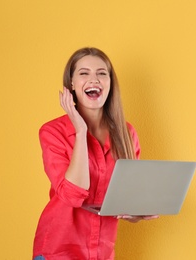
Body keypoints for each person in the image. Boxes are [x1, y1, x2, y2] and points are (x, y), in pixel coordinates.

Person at [33, 47, 158, 260]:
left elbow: (124, 199)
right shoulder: (52, 132)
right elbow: (72, 195)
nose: (94, 79)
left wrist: (139, 212)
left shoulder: (126, 133)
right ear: (71, 84)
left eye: (102, 73)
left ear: (110, 83)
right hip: (58, 250)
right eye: (84, 73)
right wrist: (80, 131)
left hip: (102, 252)